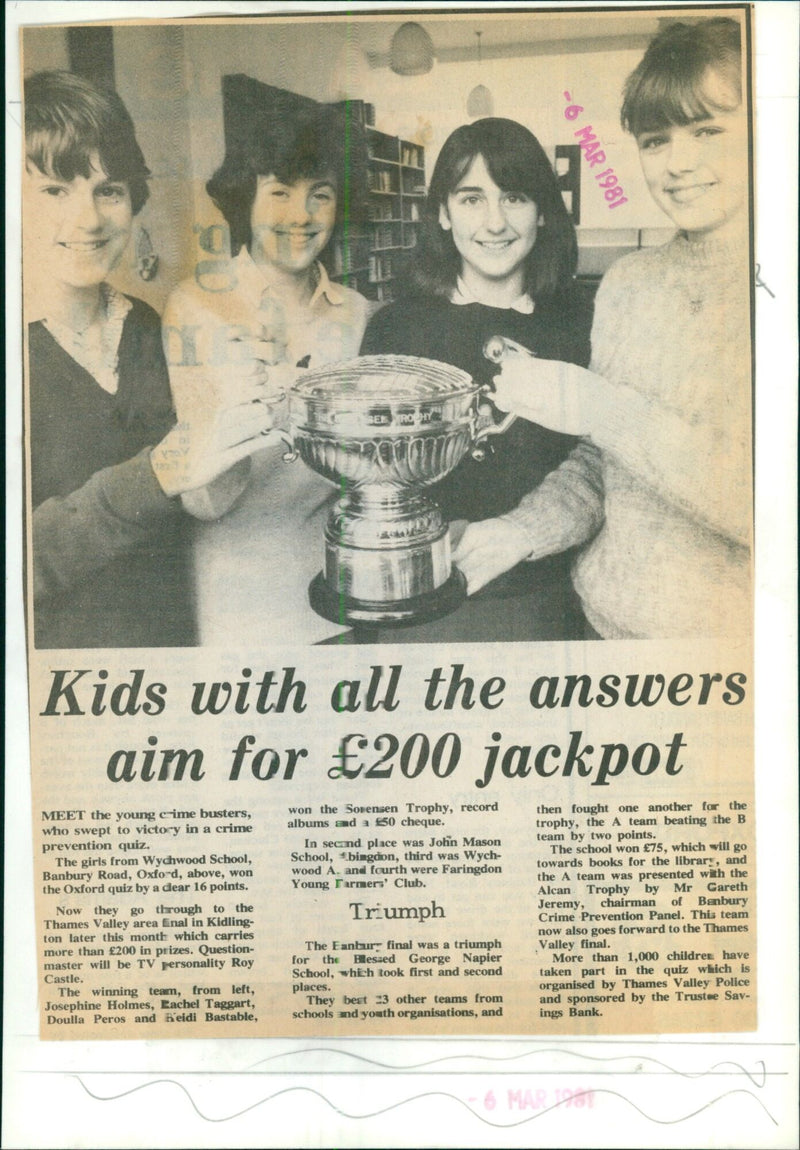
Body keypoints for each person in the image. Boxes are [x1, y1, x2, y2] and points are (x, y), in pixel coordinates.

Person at [490, 18, 751, 640]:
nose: (679, 163)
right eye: (656, 140)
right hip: (601, 634)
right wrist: (521, 529)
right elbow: (603, 463)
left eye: (708, 130)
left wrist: (599, 406)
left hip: (730, 669)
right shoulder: (629, 283)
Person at [24, 70, 272, 648]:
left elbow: (198, 501)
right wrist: (158, 471)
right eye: (56, 190)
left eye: (108, 189)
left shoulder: (150, 328)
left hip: (172, 671)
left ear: (134, 199)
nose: (87, 219)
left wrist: (239, 414)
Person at [358, 117, 604, 642]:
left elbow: (601, 466)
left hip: (552, 598)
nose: (495, 222)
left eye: (514, 197)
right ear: (442, 214)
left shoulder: (582, 324)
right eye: (471, 199)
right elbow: (371, 471)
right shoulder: (393, 327)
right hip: (426, 601)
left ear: (542, 213)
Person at [164, 102, 370, 644]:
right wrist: (250, 415)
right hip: (235, 599)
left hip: (339, 588)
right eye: (279, 192)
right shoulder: (194, 306)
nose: (300, 215)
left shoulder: (358, 312)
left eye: (320, 194)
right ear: (244, 201)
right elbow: (198, 496)